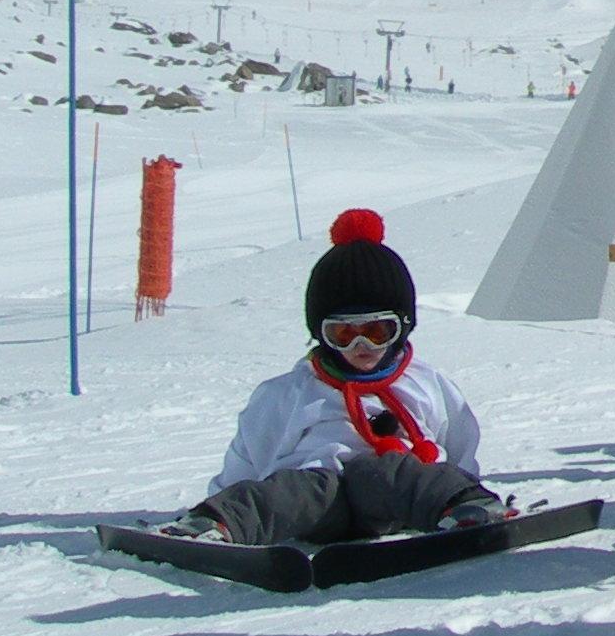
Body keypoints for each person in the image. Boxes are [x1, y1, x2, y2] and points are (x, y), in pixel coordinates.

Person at [160, 208, 504, 544]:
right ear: (320, 334)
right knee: (292, 490)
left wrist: (458, 488)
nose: (361, 346)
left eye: (377, 331)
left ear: (402, 327)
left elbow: (459, 443)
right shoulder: (291, 393)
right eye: (343, 334)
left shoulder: (424, 384)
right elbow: (248, 457)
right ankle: (215, 525)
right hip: (317, 505)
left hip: (397, 500)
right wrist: (228, 500)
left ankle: (469, 509)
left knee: (396, 472)